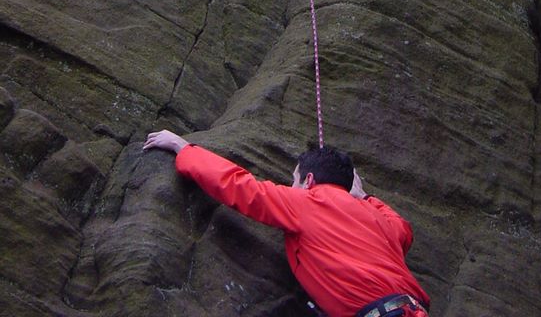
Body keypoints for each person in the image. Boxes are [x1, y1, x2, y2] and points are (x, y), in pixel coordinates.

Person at [143, 130, 430, 317]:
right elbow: (402, 230)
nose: (291, 187)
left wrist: (183, 148)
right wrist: (364, 196)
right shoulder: (375, 215)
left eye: (294, 179)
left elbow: (240, 186)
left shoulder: (307, 202)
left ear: (309, 180)